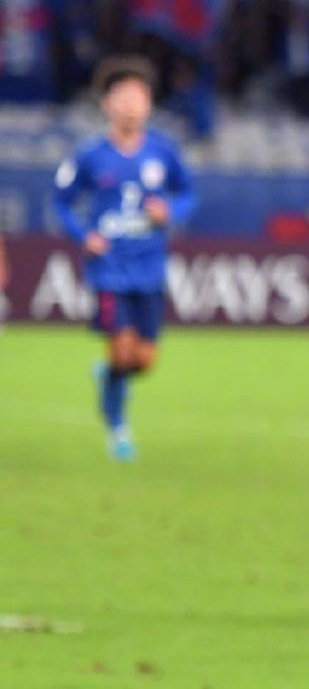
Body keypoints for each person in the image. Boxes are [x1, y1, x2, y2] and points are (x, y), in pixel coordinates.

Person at [52, 57, 196, 462]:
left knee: (144, 360)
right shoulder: (89, 154)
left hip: (150, 267)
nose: (132, 104)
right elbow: (62, 203)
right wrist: (84, 236)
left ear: (149, 103)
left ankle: (110, 378)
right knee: (120, 349)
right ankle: (117, 427)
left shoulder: (163, 151)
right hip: (109, 268)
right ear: (107, 103)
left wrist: (170, 211)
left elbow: (188, 193)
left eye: (140, 96)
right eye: (124, 96)